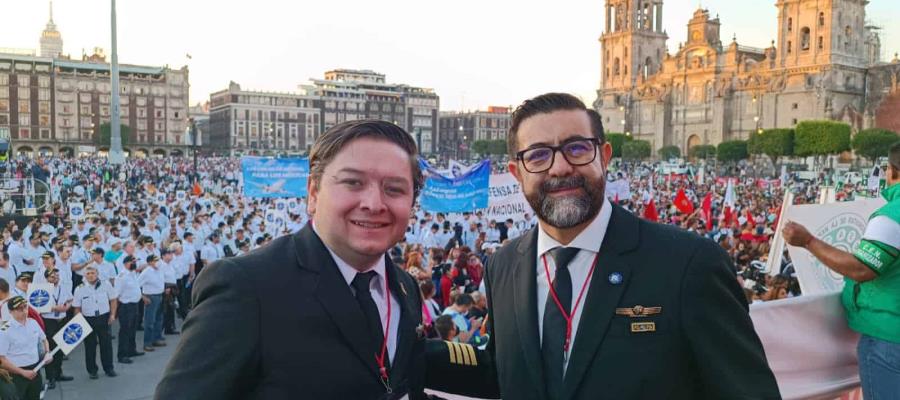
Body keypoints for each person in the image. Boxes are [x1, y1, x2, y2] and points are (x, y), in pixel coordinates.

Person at [427, 93, 779, 399]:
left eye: (577, 148)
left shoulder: (689, 264)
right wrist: (408, 354)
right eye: (537, 156)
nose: (560, 167)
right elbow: (509, 373)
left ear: (604, 156)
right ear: (517, 172)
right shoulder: (503, 265)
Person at [157, 120, 430, 399]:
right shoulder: (246, 286)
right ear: (313, 192)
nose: (374, 204)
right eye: (353, 182)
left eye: (394, 189)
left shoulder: (405, 287)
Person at [782, 141, 900, 399]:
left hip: (888, 339)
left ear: (892, 171)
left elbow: (861, 269)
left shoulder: (892, 215)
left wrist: (809, 241)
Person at [0, 296, 52, 400]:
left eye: (25, 307)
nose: (24, 311)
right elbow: (1, 359)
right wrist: (22, 372)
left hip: (35, 370)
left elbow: (44, 339)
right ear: (11, 312)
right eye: (19, 309)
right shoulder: (5, 331)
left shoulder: (33, 323)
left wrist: (47, 352)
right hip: (15, 374)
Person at [72, 265, 118, 379]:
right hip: (88, 319)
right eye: (88, 274)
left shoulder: (106, 285)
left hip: (104, 318)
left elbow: (113, 300)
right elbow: (77, 308)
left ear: (97, 274)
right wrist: (80, 322)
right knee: (90, 346)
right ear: (84, 275)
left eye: (93, 273)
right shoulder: (79, 289)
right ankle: (92, 370)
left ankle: (109, 368)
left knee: (106, 345)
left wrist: (112, 315)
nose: (90, 275)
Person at [40, 268, 73, 389]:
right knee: (50, 349)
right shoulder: (41, 289)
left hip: (62, 319)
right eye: (53, 277)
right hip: (49, 321)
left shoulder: (63, 286)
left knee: (60, 347)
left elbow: (70, 299)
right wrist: (55, 308)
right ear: (47, 278)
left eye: (57, 276)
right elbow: (38, 307)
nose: (56, 279)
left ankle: (59, 373)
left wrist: (66, 307)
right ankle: (50, 377)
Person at [115, 255, 143, 364]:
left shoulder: (133, 273)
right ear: (126, 263)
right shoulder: (122, 276)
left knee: (133, 329)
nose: (135, 264)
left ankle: (131, 350)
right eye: (133, 262)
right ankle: (122, 355)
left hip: (135, 304)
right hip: (126, 306)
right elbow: (117, 294)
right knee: (125, 330)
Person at [139, 254, 165, 352]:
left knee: (159, 319)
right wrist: (143, 297)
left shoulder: (159, 270)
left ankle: (156, 338)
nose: (158, 262)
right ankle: (147, 343)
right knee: (149, 321)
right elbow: (137, 285)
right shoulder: (146, 272)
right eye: (155, 261)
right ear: (150, 262)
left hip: (159, 295)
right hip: (151, 297)